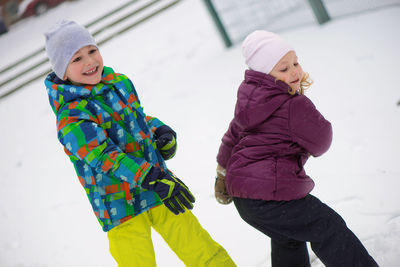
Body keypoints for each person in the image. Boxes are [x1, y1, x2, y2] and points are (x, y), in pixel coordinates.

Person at [44, 20, 236, 267]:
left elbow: (135, 118)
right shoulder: (71, 115)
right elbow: (103, 156)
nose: (90, 62)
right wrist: (152, 176)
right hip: (119, 207)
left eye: (92, 51)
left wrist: (159, 131)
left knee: (202, 251)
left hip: (159, 190)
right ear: (62, 71)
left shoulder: (118, 83)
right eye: (76, 59)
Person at [214, 30, 378, 267]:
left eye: (295, 63)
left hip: (246, 199)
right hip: (272, 195)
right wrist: (302, 108)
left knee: (288, 237)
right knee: (327, 227)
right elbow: (322, 141)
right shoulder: (293, 105)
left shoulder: (248, 102)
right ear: (264, 74)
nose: (294, 72)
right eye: (283, 69)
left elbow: (231, 137)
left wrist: (222, 173)